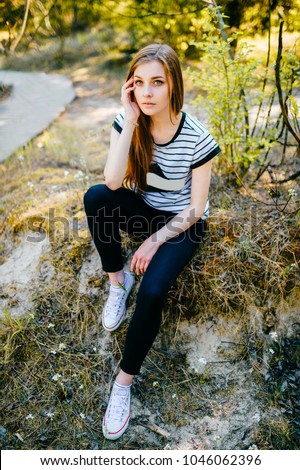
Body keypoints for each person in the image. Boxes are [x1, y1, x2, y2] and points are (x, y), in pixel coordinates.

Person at [83, 43, 221, 440]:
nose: (147, 92)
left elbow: (195, 209)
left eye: (157, 83)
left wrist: (153, 242)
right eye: (139, 83)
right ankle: (117, 282)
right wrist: (128, 121)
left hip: (183, 224)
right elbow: (111, 182)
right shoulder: (129, 121)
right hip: (147, 209)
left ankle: (122, 384)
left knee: (154, 290)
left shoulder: (198, 139)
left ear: (174, 85)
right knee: (96, 197)